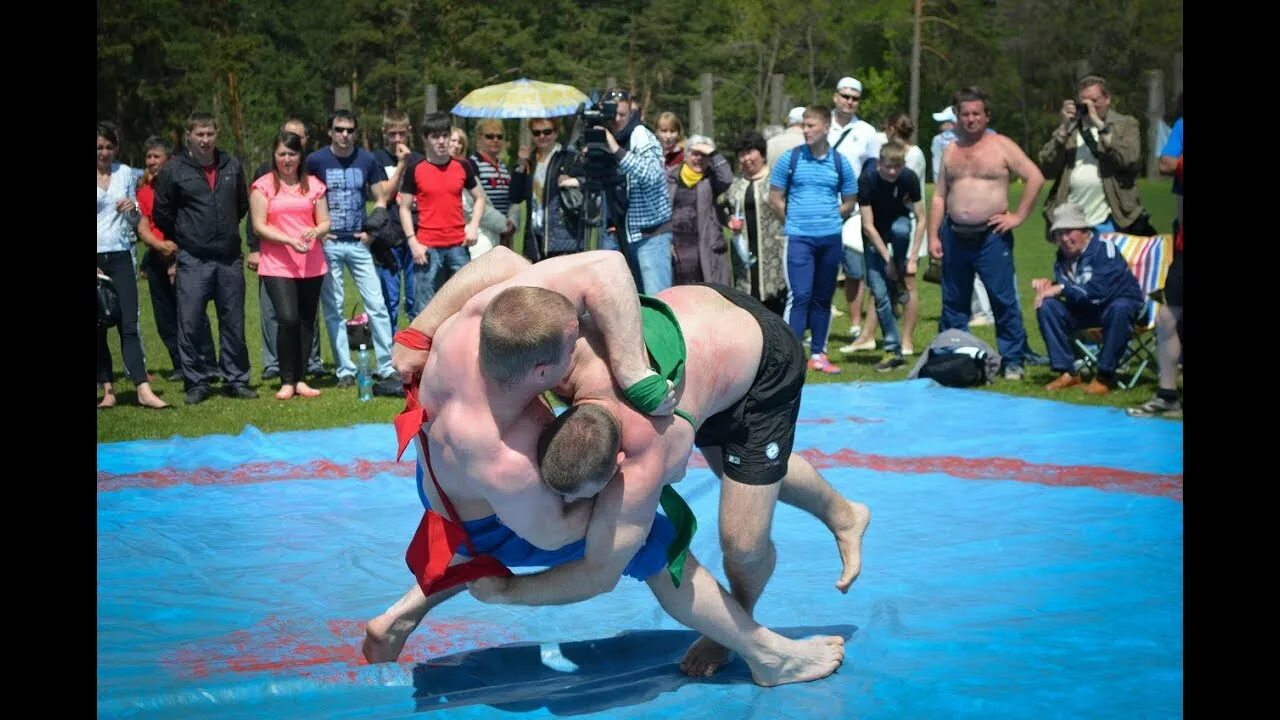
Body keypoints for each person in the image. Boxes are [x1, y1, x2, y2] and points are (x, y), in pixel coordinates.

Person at [502, 281, 872, 678]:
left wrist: (507, 591)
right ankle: (845, 514)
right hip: (696, 332)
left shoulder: (656, 448)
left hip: (759, 360)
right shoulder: (556, 362)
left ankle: (738, 622)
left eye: (594, 495)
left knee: (742, 541)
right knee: (739, 470)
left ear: (620, 461)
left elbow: (602, 572)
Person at [928, 87, 1045, 381]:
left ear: (986, 116)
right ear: (957, 117)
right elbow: (940, 196)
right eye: (964, 114)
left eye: (976, 114)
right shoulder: (951, 150)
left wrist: (1017, 216)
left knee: (1002, 300)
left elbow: (1035, 177)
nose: (970, 119)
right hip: (954, 235)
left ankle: (1013, 359)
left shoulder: (1002, 145)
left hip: (992, 237)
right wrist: (933, 236)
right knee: (954, 301)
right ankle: (955, 355)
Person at [152, 112, 257, 404]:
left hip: (228, 259)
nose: (205, 140)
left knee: (233, 321)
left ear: (217, 133)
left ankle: (235, 379)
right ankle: (196, 381)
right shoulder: (174, 170)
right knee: (191, 322)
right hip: (193, 259)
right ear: (189, 135)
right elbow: (162, 213)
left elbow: (240, 205)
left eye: (210, 133)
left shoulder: (231, 165)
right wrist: (187, 235)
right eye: (199, 134)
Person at [307, 109, 404, 396]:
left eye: (349, 130)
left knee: (377, 304)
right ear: (330, 131)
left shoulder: (367, 159)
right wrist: (320, 231)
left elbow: (381, 198)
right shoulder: (316, 161)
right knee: (334, 308)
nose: (344, 135)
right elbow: (307, 198)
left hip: (360, 244)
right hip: (330, 243)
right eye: (339, 129)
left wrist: (371, 231)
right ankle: (345, 370)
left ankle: (386, 366)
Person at [768, 105, 857, 374]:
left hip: (830, 238)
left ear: (826, 128)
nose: (805, 130)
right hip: (798, 238)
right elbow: (775, 199)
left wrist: (831, 216)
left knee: (822, 297)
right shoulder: (790, 159)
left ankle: (818, 353)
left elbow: (850, 200)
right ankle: (793, 357)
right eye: (804, 125)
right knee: (801, 295)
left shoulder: (840, 162)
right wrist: (794, 222)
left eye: (811, 126)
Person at [248, 131, 332, 400]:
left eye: (292, 154)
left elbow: (325, 221)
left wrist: (316, 231)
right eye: (282, 153)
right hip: (277, 263)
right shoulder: (262, 186)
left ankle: (301, 378)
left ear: (300, 156)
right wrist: (288, 240)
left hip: (311, 261)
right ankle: (286, 379)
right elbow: (259, 226)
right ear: (274, 155)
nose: (287, 159)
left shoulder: (314, 185)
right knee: (287, 318)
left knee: (307, 321)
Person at [1032, 202, 1145, 395]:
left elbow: (1098, 291)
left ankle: (1105, 375)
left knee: (1121, 307)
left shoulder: (1104, 250)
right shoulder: (1063, 257)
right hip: (1087, 311)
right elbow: (1076, 288)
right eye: (1060, 233)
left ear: (1085, 230)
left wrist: (1060, 288)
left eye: (1069, 231)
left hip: (1118, 308)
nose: (1065, 238)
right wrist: (1050, 284)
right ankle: (1067, 371)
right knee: (1047, 305)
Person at [96, 121, 170, 410]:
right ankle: (108, 391)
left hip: (121, 255)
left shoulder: (125, 173)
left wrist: (133, 209)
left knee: (129, 323)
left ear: (117, 148)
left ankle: (143, 388)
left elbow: (136, 219)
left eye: (109, 147)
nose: (104, 153)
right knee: (99, 326)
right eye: (99, 147)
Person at [136, 135, 217, 383]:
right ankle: (180, 365)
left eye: (156, 156)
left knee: (192, 313)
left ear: (168, 159)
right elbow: (143, 226)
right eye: (148, 157)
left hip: (183, 255)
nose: (151, 162)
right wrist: (158, 246)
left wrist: (176, 254)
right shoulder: (144, 191)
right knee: (164, 317)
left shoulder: (179, 185)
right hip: (156, 256)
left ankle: (208, 363)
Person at [1037, 74, 1151, 236]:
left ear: (1107, 99)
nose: (1089, 106)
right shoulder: (1070, 128)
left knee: (1110, 261)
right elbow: (1046, 167)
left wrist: (1100, 126)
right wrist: (1063, 129)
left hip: (1112, 217)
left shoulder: (1125, 124)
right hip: (1072, 221)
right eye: (1083, 101)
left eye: (1094, 101)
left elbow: (1129, 159)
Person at [856, 141, 926, 370]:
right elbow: (868, 226)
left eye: (897, 167)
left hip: (898, 227)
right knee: (880, 292)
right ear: (879, 164)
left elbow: (922, 218)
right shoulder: (867, 180)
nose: (893, 172)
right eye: (888, 167)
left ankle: (899, 272)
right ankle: (892, 349)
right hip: (874, 234)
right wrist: (887, 260)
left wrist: (912, 258)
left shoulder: (909, 178)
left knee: (901, 229)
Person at [725, 131, 787, 315]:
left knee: (775, 300)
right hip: (744, 252)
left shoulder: (776, 181)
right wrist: (729, 220)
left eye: (750, 152)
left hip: (773, 250)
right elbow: (722, 207)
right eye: (741, 154)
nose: (746, 158)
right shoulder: (736, 184)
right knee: (748, 302)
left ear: (761, 153)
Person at [508, 118, 582, 261]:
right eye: (537, 133)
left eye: (547, 132)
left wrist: (574, 181)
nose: (542, 136)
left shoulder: (568, 157)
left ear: (555, 133)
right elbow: (515, 196)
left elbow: (588, 183)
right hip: (535, 238)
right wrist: (521, 165)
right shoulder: (531, 161)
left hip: (563, 237)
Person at [665, 135, 734, 285]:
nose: (699, 159)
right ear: (685, 155)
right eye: (695, 154)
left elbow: (727, 178)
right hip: (677, 247)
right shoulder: (671, 177)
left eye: (704, 155)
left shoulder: (712, 179)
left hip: (706, 248)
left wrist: (713, 152)